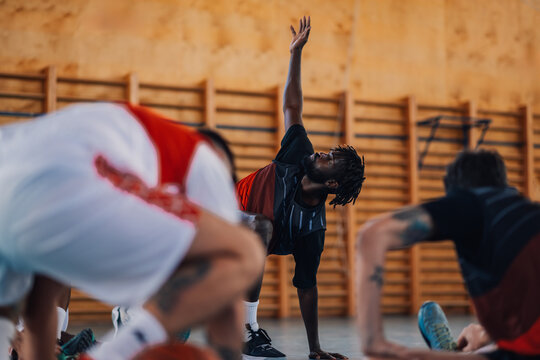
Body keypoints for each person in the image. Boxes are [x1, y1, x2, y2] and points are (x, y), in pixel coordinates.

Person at [0, 102, 265, 360]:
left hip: (10, 164)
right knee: (247, 252)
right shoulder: (208, 160)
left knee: (37, 299)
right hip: (73, 176)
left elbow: (42, 297)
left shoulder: (126, 141)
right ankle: (115, 353)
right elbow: (229, 287)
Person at [236, 16, 365, 360]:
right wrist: (295, 53)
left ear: (332, 183)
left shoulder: (312, 230)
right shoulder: (298, 152)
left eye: (329, 160)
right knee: (258, 226)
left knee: (260, 229)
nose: (322, 153)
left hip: (244, 239)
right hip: (221, 208)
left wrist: (315, 350)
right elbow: (292, 106)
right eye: (327, 152)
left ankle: (245, 329)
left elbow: (306, 287)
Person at [357, 149, 540, 360]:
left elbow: (373, 234)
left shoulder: (472, 204)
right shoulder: (528, 215)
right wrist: (488, 333)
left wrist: (375, 343)